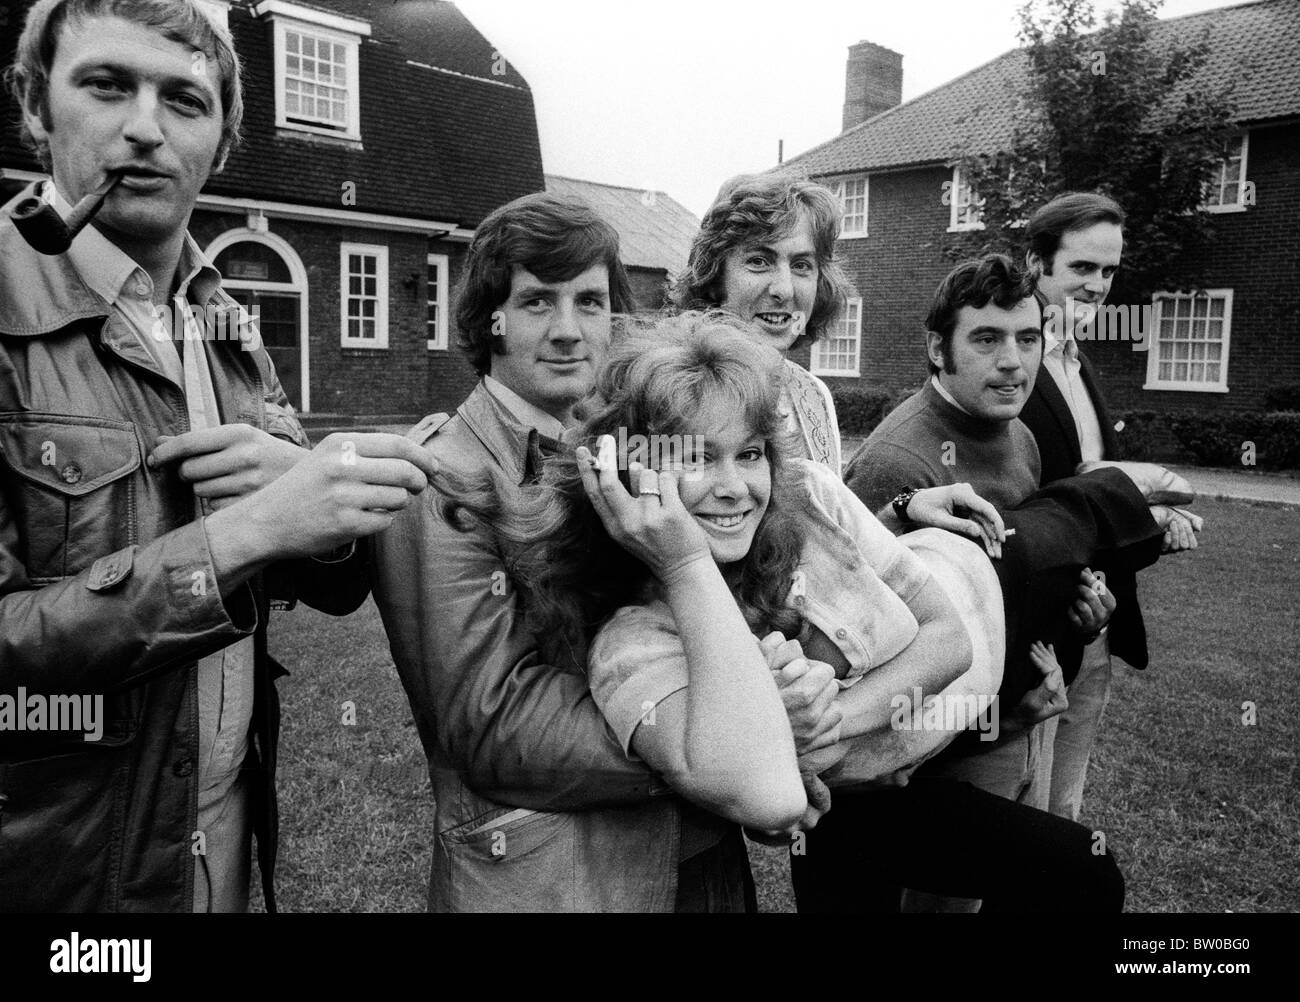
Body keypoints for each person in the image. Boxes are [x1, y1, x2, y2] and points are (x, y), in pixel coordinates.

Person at [445, 311, 1124, 911]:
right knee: (1081, 872)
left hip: (995, 576)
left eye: (749, 454)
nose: (735, 487)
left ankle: (1126, 496)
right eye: (696, 458)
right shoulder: (632, 646)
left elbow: (949, 640)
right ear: (625, 474)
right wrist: (683, 563)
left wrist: (827, 727)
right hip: (890, 779)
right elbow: (770, 800)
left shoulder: (808, 493)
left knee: (1082, 510)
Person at [0, 0, 436, 913]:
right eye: (107, 85)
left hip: (224, 834)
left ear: (223, 140)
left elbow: (331, 582)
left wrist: (316, 515)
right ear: (37, 106)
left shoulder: (225, 322)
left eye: (184, 100)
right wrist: (242, 536)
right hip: (65, 872)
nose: (145, 128)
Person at [1020, 192, 1202, 821]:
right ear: (1036, 263)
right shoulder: (1009, 363)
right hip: (1037, 637)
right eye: (1082, 267)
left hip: (1096, 624)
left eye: (1109, 271)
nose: (1098, 285)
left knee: (1064, 811)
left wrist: (1152, 520)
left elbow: (1094, 484)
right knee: (1024, 816)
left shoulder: (1080, 363)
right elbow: (1029, 501)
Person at [672, 172, 852, 470]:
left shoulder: (814, 394)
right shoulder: (672, 392)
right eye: (759, 261)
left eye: (801, 265)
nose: (784, 290)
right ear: (715, 277)